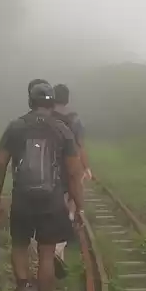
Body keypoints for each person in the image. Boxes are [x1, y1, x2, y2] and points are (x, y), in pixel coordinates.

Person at [0, 79, 84, 291]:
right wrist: (79, 205)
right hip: (51, 201)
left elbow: (0, 164)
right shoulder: (62, 130)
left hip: (22, 199)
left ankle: (24, 288)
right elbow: (74, 172)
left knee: (20, 246)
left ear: (31, 102)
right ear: (52, 104)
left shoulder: (16, 127)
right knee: (46, 254)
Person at [52, 83, 91, 280]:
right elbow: (80, 146)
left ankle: (50, 253)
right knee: (69, 207)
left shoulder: (43, 117)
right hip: (69, 170)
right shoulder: (75, 120)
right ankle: (59, 251)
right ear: (67, 99)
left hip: (46, 172)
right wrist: (86, 167)